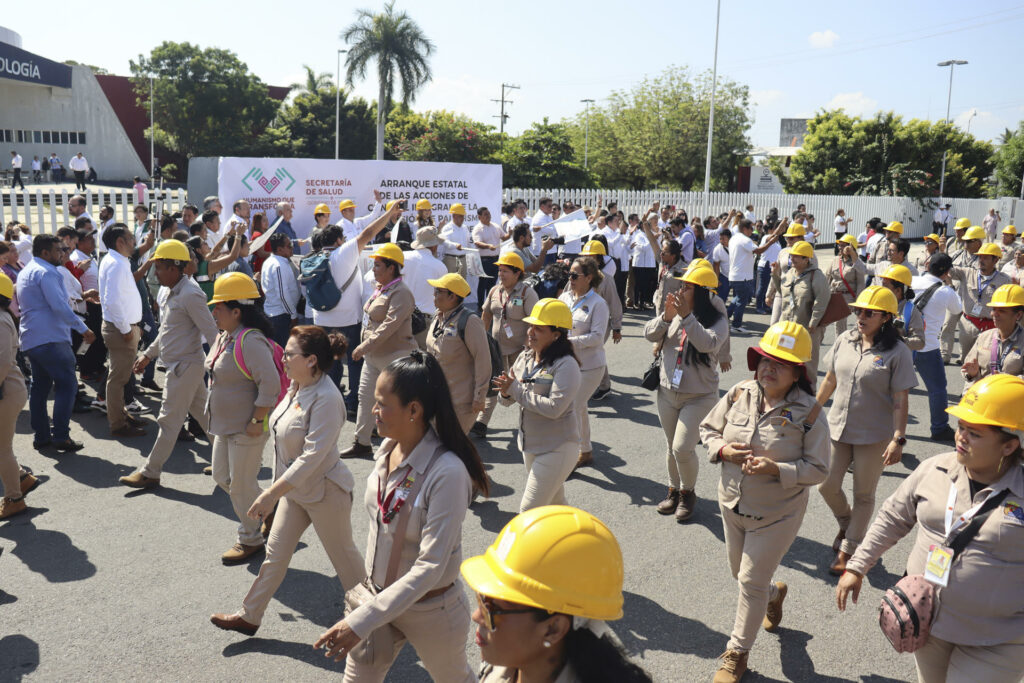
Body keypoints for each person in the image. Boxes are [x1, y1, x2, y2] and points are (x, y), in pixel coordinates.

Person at [313, 351, 488, 683]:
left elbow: (430, 566)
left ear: (414, 410)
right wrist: (366, 607)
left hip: (432, 612)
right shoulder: (386, 450)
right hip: (376, 599)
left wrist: (361, 621)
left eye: (382, 403)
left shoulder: (448, 472)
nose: (372, 410)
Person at [837, 373, 1024, 683]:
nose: (961, 437)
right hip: (930, 622)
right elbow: (892, 518)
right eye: (960, 427)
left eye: (974, 433)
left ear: (1009, 446)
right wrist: (857, 567)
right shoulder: (935, 469)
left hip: (998, 639)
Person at [210, 327, 366, 636]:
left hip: (326, 494)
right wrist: (277, 493)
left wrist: (270, 494)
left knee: (346, 562)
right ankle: (249, 615)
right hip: (295, 494)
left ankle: (373, 618)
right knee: (275, 556)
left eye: (289, 353)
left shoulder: (327, 398)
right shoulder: (295, 387)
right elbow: (280, 446)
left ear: (310, 360)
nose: (282, 357)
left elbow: (312, 457)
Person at [699, 321, 829, 683]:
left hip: (777, 513)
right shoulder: (740, 392)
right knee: (741, 575)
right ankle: (774, 594)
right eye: (764, 360)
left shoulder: (809, 413)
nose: (769, 369)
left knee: (749, 582)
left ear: (798, 372)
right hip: (731, 503)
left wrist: (777, 468)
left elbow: (819, 469)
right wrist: (722, 449)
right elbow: (708, 430)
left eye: (781, 364)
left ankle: (736, 654)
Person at [462, 505, 652, 683]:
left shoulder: (505, 654)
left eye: (491, 610)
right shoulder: (502, 662)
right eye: (482, 598)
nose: (476, 616)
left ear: (553, 628)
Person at [814, 285, 917, 575]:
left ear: (885, 317)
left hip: (874, 435)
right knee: (826, 484)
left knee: (863, 494)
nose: (860, 316)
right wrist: (811, 413)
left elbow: (900, 399)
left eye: (869, 312)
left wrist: (898, 438)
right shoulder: (846, 339)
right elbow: (830, 380)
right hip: (838, 427)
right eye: (858, 310)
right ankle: (849, 525)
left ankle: (849, 548)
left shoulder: (897, 351)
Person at [119, 240, 220, 488]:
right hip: (180, 366)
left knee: (168, 420)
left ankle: (150, 472)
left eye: (160, 267)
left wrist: (222, 365)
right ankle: (228, 462)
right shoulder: (172, 292)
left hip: (186, 367)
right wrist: (149, 355)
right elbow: (167, 331)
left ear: (175, 268)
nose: (156, 273)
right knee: (205, 418)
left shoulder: (191, 294)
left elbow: (212, 332)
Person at [206, 272, 281, 565]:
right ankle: (270, 508)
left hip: (247, 428)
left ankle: (250, 539)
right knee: (222, 477)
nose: (214, 312)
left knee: (239, 485)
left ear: (237, 311)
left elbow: (271, 385)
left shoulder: (250, 341)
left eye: (219, 307)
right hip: (225, 426)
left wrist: (255, 421)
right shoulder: (226, 336)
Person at [644, 265, 728, 522]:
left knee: (682, 448)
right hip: (667, 391)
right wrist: (666, 318)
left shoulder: (717, 318)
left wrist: (686, 317)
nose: (681, 290)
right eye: (682, 285)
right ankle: (674, 490)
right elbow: (649, 334)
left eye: (688, 287)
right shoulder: (677, 312)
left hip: (699, 396)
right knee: (671, 447)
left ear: (702, 292)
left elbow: (707, 343)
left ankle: (688, 494)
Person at [310, 202, 399, 419]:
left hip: (321, 317)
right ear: (339, 240)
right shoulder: (344, 252)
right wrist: (388, 213)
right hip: (348, 319)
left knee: (329, 362)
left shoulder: (312, 259)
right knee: (355, 360)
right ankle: (351, 403)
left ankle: (328, 401)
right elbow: (369, 232)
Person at [495, 299, 582, 512]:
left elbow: (554, 408)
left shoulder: (566, 365)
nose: (530, 332)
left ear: (556, 335)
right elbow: (506, 400)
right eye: (531, 326)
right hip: (530, 445)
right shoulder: (525, 357)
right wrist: (506, 392)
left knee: (529, 510)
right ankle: (580, 540)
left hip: (558, 448)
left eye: (539, 329)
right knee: (556, 507)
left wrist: (515, 389)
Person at [17, 235, 94, 451]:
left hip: (33, 338)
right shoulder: (47, 272)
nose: (62, 253)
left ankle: (42, 436)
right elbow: (59, 306)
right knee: (66, 385)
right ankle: (61, 436)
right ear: (45, 253)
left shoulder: (27, 270)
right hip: (51, 338)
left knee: (40, 388)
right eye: (58, 250)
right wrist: (83, 329)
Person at [341, 242, 418, 458]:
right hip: (373, 357)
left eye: (377, 266)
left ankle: (402, 446)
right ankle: (362, 442)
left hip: (395, 357)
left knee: (394, 404)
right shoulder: (381, 288)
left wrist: (363, 346)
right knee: (365, 399)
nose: (373, 270)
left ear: (391, 268)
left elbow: (389, 326)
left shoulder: (402, 293)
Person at [473, 252, 539, 439]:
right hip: (495, 349)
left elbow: (534, 322)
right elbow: (485, 315)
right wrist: (480, 338)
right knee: (494, 384)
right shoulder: (495, 291)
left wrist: (529, 347)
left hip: (520, 352)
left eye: (505, 271)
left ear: (518, 273)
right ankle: (481, 423)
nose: (501, 274)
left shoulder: (527, 293)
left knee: (521, 388)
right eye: (499, 270)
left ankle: (529, 424)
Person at [558, 258, 609, 470]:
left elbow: (597, 337)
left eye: (574, 275)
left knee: (572, 406)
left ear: (589, 278)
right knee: (580, 408)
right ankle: (585, 450)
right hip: (568, 364)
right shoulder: (564, 297)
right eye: (569, 274)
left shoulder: (598, 304)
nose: (570, 279)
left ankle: (570, 455)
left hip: (590, 366)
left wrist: (568, 342)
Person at [425, 273, 491, 433]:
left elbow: (483, 360)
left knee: (453, 450)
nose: (434, 294)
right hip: (436, 397)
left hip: (461, 402)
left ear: (452, 296)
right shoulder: (438, 317)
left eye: (438, 291)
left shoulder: (470, 321)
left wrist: (479, 397)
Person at [98, 225, 146, 438]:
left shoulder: (118, 261)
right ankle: (118, 423)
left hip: (122, 328)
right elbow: (111, 301)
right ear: (120, 242)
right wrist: (127, 329)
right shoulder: (117, 264)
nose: (134, 242)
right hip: (120, 330)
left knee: (119, 378)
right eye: (130, 238)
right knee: (118, 379)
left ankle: (121, 416)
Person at [910, 254, 962, 443]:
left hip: (903, 343)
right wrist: (949, 284)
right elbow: (957, 309)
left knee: (892, 387)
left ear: (927, 264)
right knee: (938, 389)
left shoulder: (912, 280)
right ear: (947, 271)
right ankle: (939, 428)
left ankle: (887, 428)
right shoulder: (945, 291)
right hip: (927, 346)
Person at [771, 240, 829, 385]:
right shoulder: (790, 273)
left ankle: (809, 395)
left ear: (807, 259)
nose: (793, 259)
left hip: (808, 329)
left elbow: (822, 300)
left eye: (797, 256)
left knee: (807, 364)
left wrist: (814, 322)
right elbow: (783, 292)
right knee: (786, 360)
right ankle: (787, 390)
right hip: (788, 327)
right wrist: (775, 275)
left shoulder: (816, 276)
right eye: (792, 256)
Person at [0, 272, 32, 519]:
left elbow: (1, 362)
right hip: (9, 389)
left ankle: (14, 499)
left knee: (2, 449)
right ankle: (21, 478)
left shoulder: (1, 320)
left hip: (5, 391)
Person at [950, 242, 1012, 360]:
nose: (981, 260)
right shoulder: (967, 273)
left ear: (995, 260)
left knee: (988, 361)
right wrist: (942, 251)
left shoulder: (1004, 280)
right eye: (980, 257)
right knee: (966, 361)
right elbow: (947, 269)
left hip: (991, 327)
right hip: (968, 325)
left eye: (986, 258)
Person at [960, 283, 1024, 387]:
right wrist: (972, 374)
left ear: (1018, 315)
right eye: (994, 309)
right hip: (981, 396)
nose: (993, 314)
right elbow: (966, 371)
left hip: (1012, 400)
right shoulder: (984, 337)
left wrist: (1002, 380)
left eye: (1001, 311)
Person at [727, 218, 786, 332]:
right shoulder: (744, 240)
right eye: (751, 228)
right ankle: (736, 325)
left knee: (738, 298)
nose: (752, 231)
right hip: (742, 276)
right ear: (744, 228)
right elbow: (759, 251)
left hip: (736, 275)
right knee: (741, 301)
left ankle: (726, 317)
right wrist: (770, 243)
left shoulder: (734, 238)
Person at [260, 233, 300, 348]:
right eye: (289, 245)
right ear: (279, 249)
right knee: (283, 355)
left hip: (278, 315)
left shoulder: (272, 261)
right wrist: (293, 315)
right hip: (281, 316)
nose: (292, 247)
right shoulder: (278, 265)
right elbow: (283, 294)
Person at [878, 264, 925, 351]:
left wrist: (898, 341)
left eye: (885, 286)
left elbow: (920, 342)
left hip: (898, 362)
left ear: (898, 290)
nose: (881, 289)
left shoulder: (911, 311)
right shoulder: (876, 305)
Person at [827, 234, 867, 336]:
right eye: (839, 245)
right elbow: (827, 278)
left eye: (844, 245)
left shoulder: (857, 263)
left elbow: (860, 283)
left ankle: (841, 344)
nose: (840, 248)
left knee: (839, 322)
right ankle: (842, 343)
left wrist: (858, 302)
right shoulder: (835, 260)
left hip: (848, 296)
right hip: (834, 295)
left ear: (852, 247)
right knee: (837, 323)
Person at [472, 207, 505, 306]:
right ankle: (481, 305)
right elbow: (477, 243)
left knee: (492, 283)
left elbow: (504, 237)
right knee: (483, 283)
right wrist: (488, 246)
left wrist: (511, 234)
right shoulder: (478, 229)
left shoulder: (495, 226)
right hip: (484, 260)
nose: (488, 216)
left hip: (496, 259)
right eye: (485, 214)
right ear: (479, 217)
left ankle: (489, 304)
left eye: (489, 213)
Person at [439, 204, 472, 277]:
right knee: (450, 284)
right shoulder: (447, 228)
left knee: (462, 284)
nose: (463, 218)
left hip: (463, 259)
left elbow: (468, 243)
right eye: (460, 216)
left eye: (463, 216)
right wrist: (455, 245)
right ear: (454, 216)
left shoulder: (465, 228)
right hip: (451, 260)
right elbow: (444, 242)